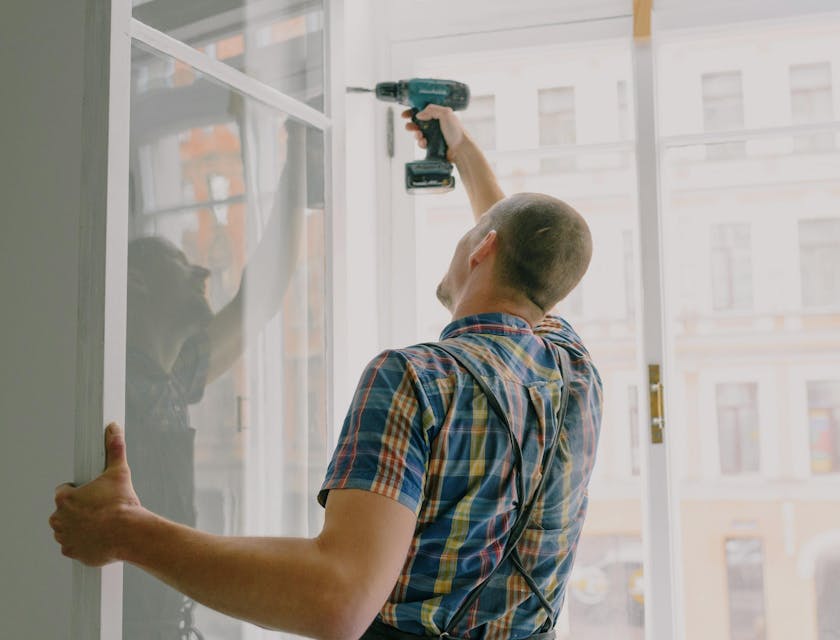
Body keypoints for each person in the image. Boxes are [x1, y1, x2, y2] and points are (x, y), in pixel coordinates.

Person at [50, 104, 603, 640]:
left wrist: (124, 531)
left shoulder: (418, 380)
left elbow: (337, 600)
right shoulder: (576, 373)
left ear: (482, 249)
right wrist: (460, 151)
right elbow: (533, 262)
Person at [121, 120, 307, 639]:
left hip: (164, 620)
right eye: (180, 263)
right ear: (137, 281)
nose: (202, 272)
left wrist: (297, 165)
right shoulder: (110, 386)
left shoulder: (172, 378)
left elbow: (260, 296)